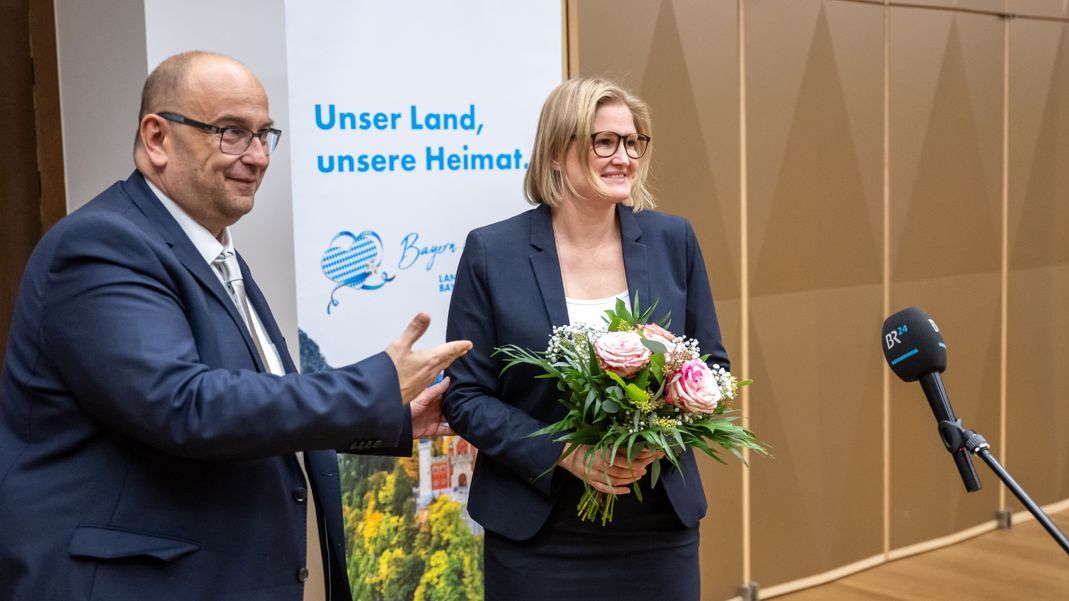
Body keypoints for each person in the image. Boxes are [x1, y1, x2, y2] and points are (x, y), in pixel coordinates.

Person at [0, 51, 471, 601]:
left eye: (263, 135)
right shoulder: (101, 248)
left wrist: (388, 419)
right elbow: (187, 406)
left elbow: (256, 407)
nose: (257, 157)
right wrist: (374, 385)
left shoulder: (211, 250)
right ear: (157, 138)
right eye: (231, 133)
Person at [443, 77, 730, 600]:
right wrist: (567, 452)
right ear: (557, 152)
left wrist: (655, 432)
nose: (623, 157)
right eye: (604, 141)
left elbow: (711, 368)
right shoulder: (492, 252)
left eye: (632, 142)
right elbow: (465, 397)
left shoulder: (674, 240)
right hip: (538, 531)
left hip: (657, 526)